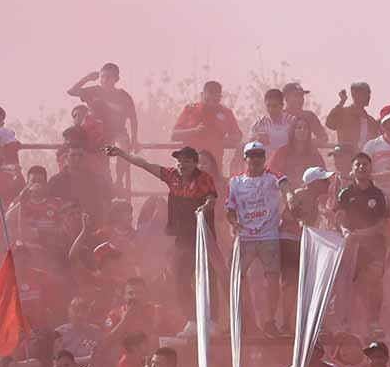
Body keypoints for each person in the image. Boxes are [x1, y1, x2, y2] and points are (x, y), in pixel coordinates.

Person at [105, 144, 217, 318]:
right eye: (179, 161)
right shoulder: (171, 175)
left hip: (202, 236)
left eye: (186, 161)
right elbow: (143, 163)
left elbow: (211, 199)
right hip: (182, 238)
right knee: (180, 280)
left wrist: (204, 207)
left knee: (208, 278)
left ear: (194, 163)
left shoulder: (204, 179)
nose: (181, 164)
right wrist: (121, 153)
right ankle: (192, 320)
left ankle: (213, 321)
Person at [227, 141, 287, 336]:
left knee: (272, 278)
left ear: (264, 158)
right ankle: (242, 319)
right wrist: (234, 223)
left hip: (269, 235)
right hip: (245, 237)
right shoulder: (235, 182)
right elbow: (230, 210)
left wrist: (292, 197)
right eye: (251, 155)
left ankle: (270, 321)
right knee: (235, 278)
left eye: (259, 155)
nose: (255, 159)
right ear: (245, 159)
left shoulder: (271, 176)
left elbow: (285, 183)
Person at [335, 152, 390, 331]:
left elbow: (382, 225)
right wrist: (345, 232)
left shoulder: (379, 194)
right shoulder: (345, 193)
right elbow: (339, 219)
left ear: (370, 168)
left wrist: (360, 234)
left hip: (374, 246)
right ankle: (345, 323)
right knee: (347, 284)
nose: (361, 167)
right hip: (351, 245)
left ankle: (374, 322)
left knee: (374, 280)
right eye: (357, 164)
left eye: (364, 164)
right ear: (352, 170)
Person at [67, 63, 137, 187]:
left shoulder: (123, 96)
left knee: (123, 148)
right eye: (103, 76)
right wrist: (87, 78)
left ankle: (119, 180)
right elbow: (71, 91)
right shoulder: (95, 91)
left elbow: (133, 117)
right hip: (97, 133)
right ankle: (100, 182)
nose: (105, 80)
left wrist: (135, 138)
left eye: (109, 77)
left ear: (116, 79)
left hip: (118, 132)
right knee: (99, 162)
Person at [171, 79, 243, 164]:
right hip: (189, 165)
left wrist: (219, 141)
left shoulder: (226, 113)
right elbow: (174, 135)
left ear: (220, 97)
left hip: (213, 165)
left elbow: (237, 136)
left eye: (216, 96)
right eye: (209, 96)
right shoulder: (190, 110)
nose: (212, 100)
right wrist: (194, 131)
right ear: (202, 95)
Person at [324, 82, 378, 173]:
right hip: (345, 161)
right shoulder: (343, 113)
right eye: (365, 94)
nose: (369, 97)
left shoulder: (371, 121)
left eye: (369, 94)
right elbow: (329, 123)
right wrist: (342, 101)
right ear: (355, 95)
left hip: (365, 163)